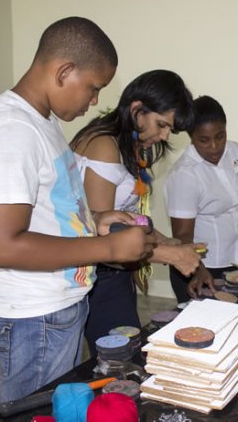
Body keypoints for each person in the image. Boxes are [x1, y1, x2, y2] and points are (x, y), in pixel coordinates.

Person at [0, 17, 157, 404]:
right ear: (64, 71)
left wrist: (97, 221)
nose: (94, 101)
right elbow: (2, 245)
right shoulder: (11, 132)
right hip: (33, 317)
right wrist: (109, 250)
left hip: (53, 308)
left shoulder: (41, 122)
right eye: (93, 88)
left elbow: (46, 211)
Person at [69, 70, 203, 356]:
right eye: (161, 124)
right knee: (122, 361)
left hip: (114, 274)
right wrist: (170, 255)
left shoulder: (125, 144)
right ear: (137, 110)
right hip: (98, 277)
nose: (165, 135)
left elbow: (127, 218)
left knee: (126, 355)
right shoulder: (105, 146)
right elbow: (102, 239)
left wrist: (169, 242)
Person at [164, 95, 238, 303]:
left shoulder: (237, 152)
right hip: (200, 269)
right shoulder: (184, 175)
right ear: (191, 136)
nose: (214, 147)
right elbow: (182, 236)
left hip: (234, 261)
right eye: (204, 140)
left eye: (220, 136)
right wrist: (198, 270)